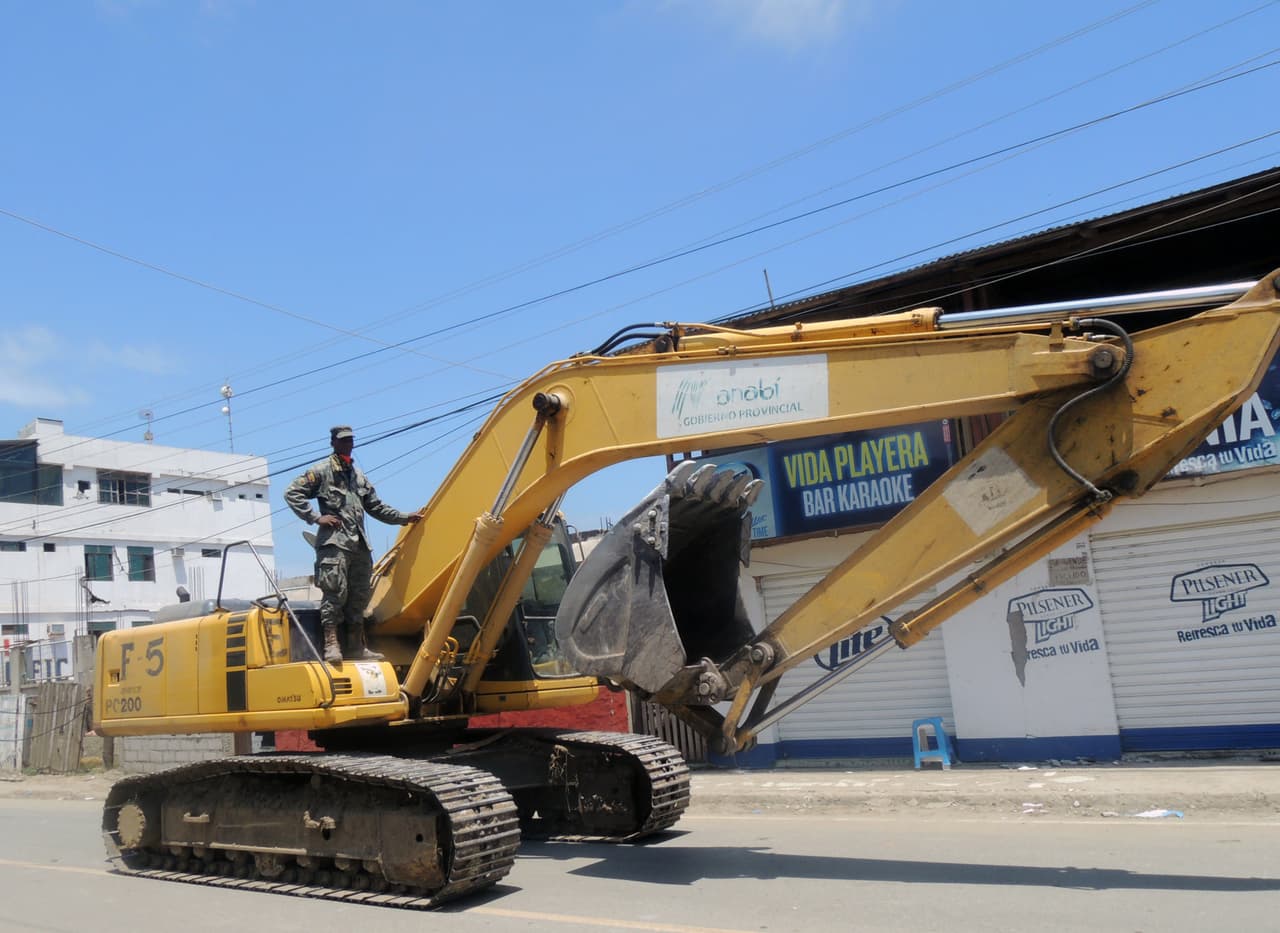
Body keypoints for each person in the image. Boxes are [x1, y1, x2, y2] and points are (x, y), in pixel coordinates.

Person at [285, 425, 421, 664]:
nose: (348, 444)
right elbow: (292, 493)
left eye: (350, 440)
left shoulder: (358, 476)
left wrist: (404, 517)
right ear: (333, 443)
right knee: (335, 594)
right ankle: (332, 645)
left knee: (358, 597)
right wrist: (316, 517)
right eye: (343, 440)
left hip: (358, 546)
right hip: (334, 545)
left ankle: (356, 646)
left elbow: (376, 507)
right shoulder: (321, 471)